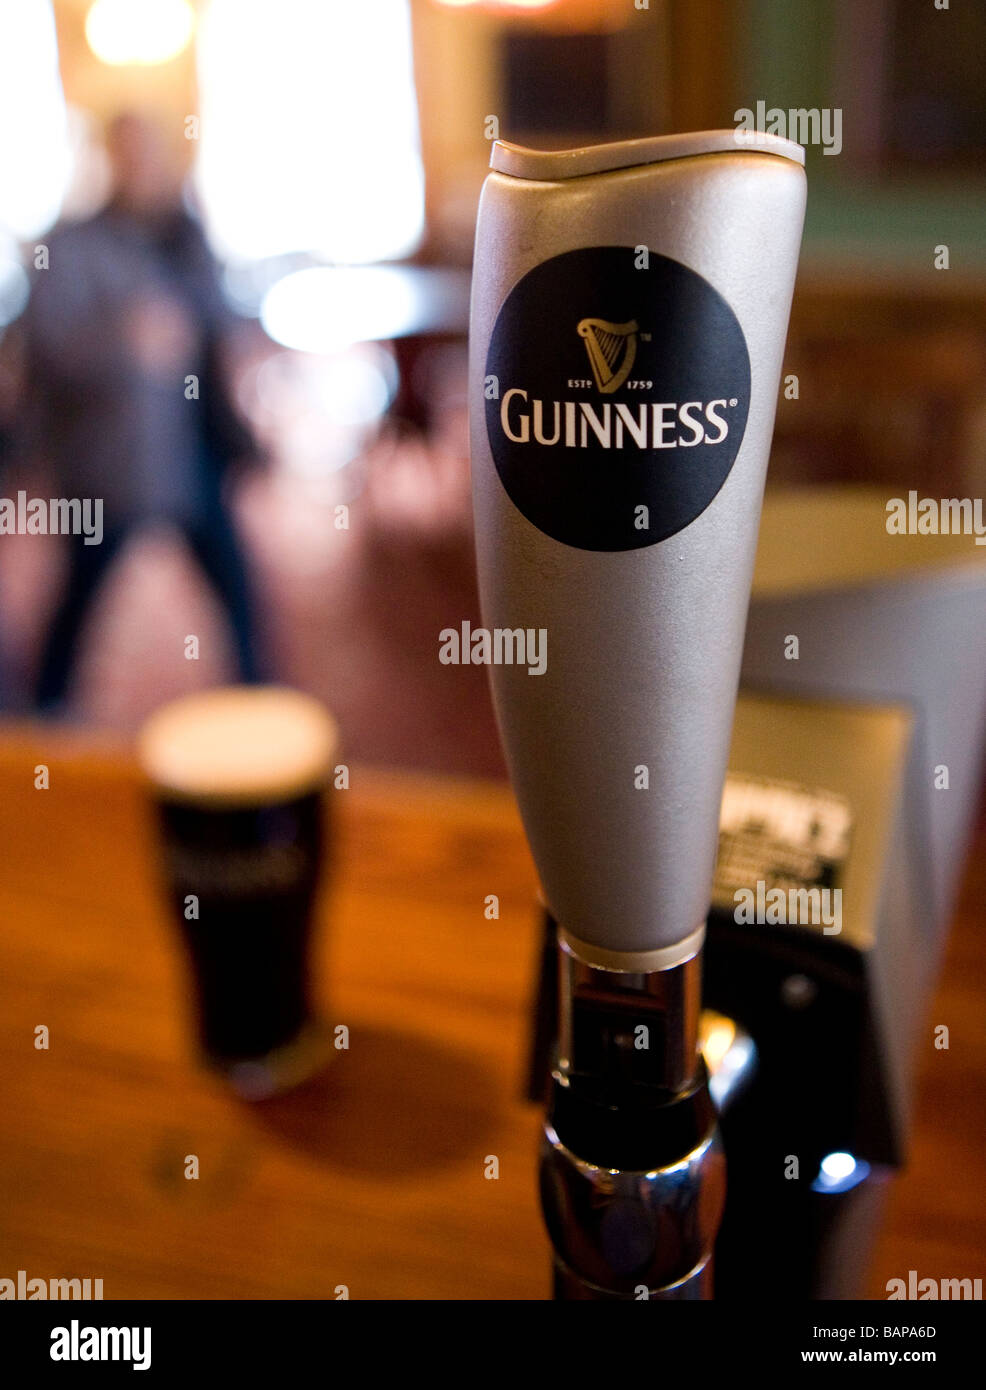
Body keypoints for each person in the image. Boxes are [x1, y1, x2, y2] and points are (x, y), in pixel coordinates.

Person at [15, 111, 264, 711]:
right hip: (110, 463)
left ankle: (262, 709)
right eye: (129, 152)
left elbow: (217, 320)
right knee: (80, 598)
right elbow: (44, 345)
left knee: (238, 593)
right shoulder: (70, 244)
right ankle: (42, 725)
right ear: (110, 160)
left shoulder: (187, 234)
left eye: (150, 151)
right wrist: (122, 340)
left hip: (192, 448)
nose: (142, 164)